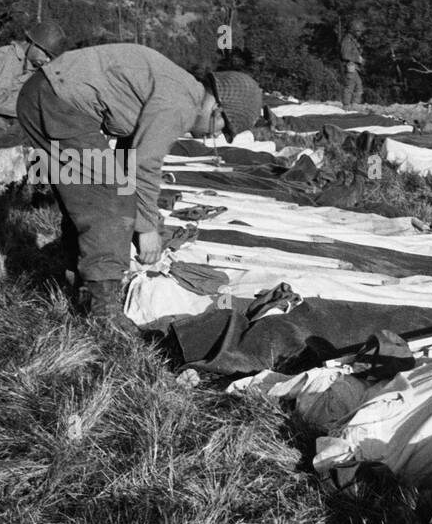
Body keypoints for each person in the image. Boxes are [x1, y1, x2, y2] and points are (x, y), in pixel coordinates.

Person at [16, 43, 263, 329]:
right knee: (109, 201)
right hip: (56, 101)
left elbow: (128, 157)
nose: (214, 135)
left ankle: (81, 285)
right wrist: (146, 229)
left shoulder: (178, 89)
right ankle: (103, 313)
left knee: (92, 194)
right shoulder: (180, 104)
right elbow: (143, 163)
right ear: (217, 110)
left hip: (45, 95)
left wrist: (144, 215)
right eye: (221, 130)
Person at [0, 21, 68, 194]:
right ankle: (40, 186)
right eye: (47, 54)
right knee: (45, 131)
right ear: (33, 44)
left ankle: (40, 184)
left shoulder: (29, 62)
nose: (47, 60)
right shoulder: (6, 58)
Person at [340, 18, 365, 108]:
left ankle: (354, 106)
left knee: (358, 86)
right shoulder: (347, 40)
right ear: (353, 30)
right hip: (350, 67)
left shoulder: (352, 40)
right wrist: (358, 59)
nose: (360, 33)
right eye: (358, 31)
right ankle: (346, 106)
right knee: (350, 86)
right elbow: (345, 55)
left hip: (354, 67)